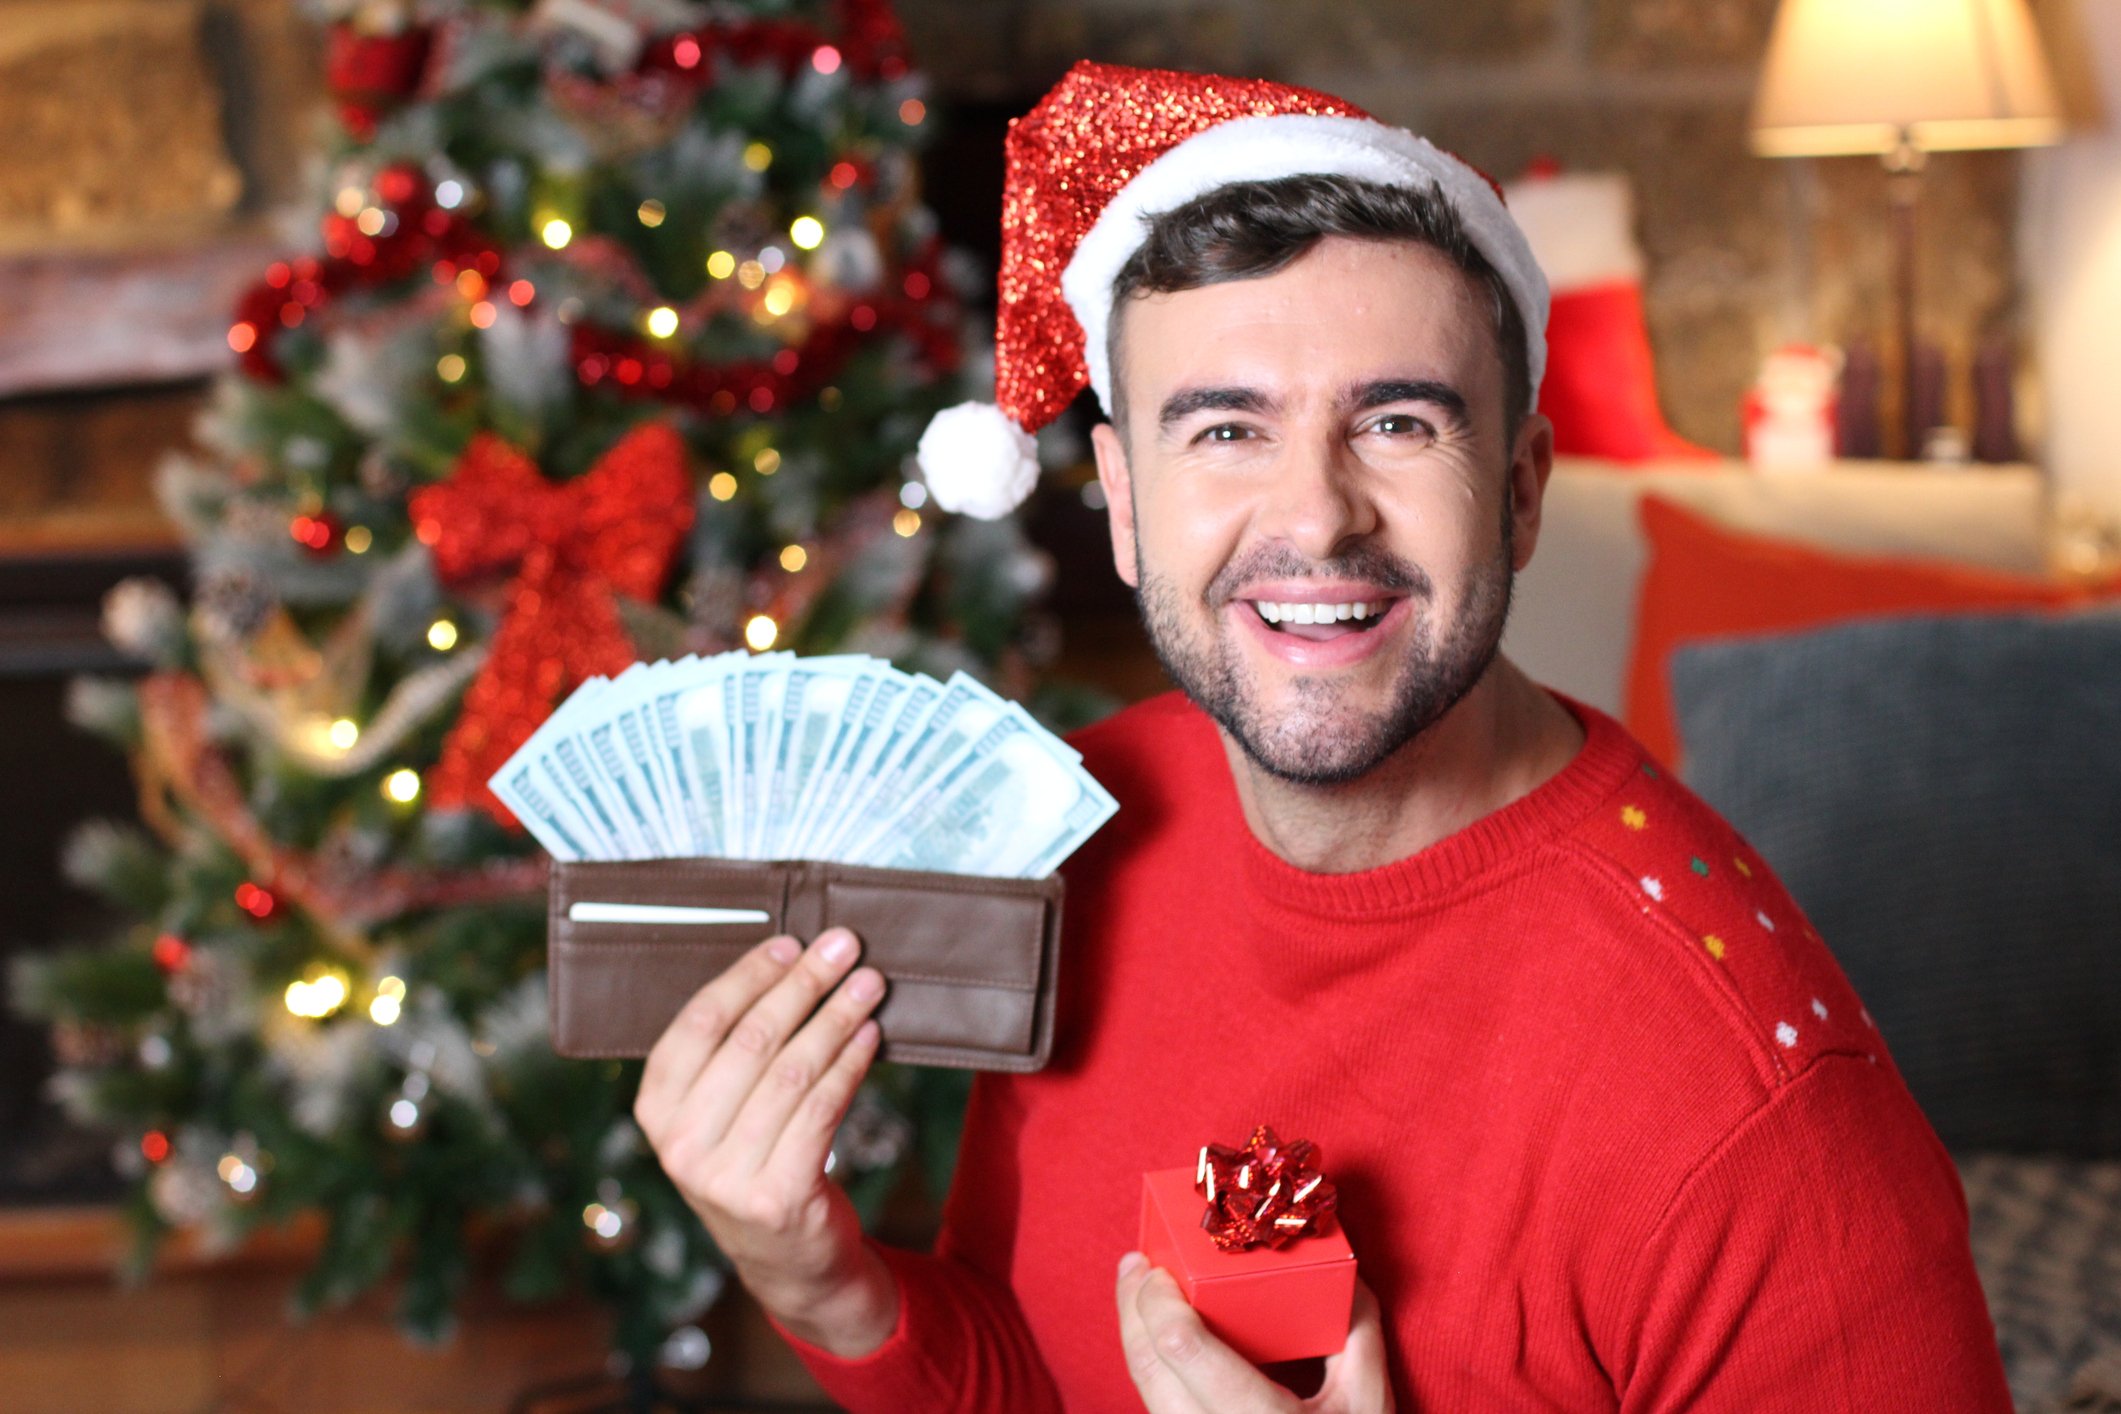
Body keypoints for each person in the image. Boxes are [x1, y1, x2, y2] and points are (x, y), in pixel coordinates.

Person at [631, 62, 2013, 1411]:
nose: (1317, 516)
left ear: (1520, 491)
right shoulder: (1093, 813)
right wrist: (822, 1285)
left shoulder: (1759, 1115)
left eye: (1397, 421)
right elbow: (1041, 1366)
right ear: (1119, 499)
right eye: (1226, 427)